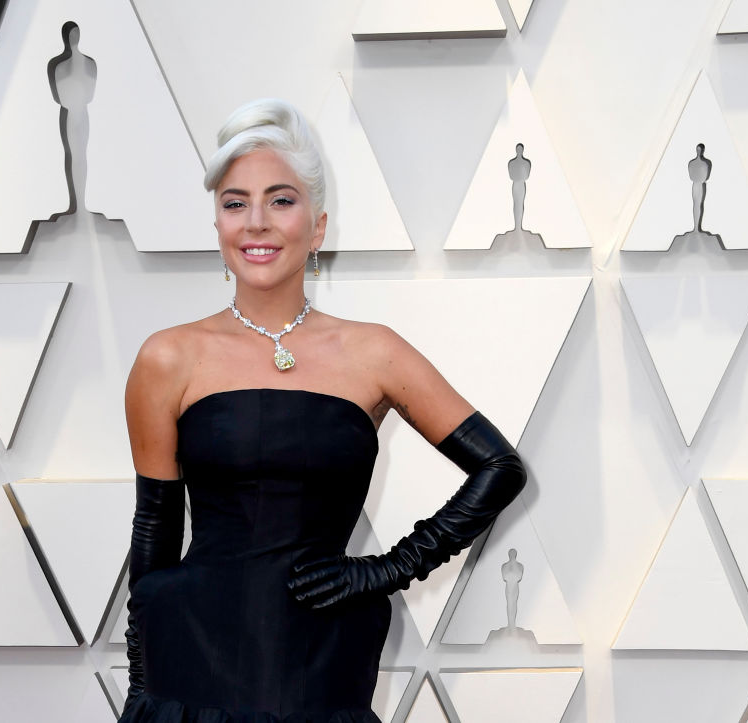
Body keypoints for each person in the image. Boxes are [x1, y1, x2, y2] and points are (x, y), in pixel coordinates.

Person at [119, 98, 526, 722]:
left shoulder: (375, 352)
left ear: (318, 227)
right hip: (194, 658)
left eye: (280, 200)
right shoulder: (168, 357)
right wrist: (142, 687)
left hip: (322, 652)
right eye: (235, 203)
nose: (256, 223)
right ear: (219, 224)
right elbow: (155, 530)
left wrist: (386, 571)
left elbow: (500, 467)